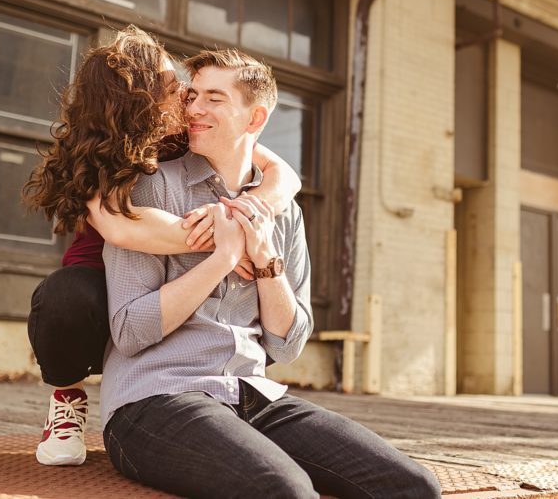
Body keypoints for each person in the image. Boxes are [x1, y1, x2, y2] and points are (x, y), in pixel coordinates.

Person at [101, 49, 441, 498]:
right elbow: (128, 332)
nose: (194, 108)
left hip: (253, 396)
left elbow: (288, 343)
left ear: (255, 117)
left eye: (215, 99)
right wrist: (221, 259)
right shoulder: (149, 188)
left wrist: (265, 263)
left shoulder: (284, 214)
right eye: (193, 95)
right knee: (286, 491)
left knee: (415, 487)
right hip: (155, 400)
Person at [22, 27, 301, 466]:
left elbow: (282, 172)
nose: (189, 98)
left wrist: (256, 208)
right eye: (175, 88)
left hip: (170, 276)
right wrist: (237, 242)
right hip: (101, 283)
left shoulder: (183, 136)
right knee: (66, 295)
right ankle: (68, 393)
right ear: (142, 100)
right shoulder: (98, 155)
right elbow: (128, 232)